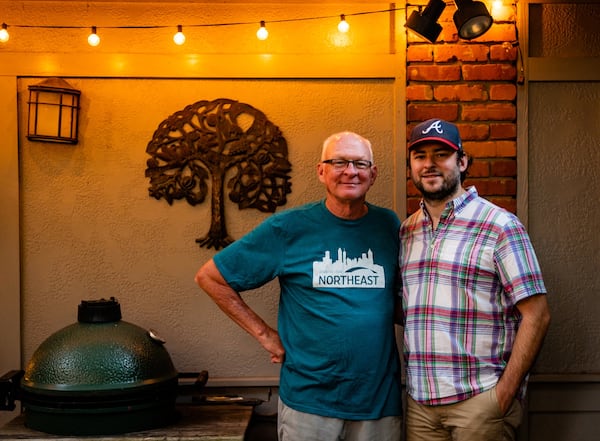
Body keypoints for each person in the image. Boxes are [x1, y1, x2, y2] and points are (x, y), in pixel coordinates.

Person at [195, 131, 403, 441]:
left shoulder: (390, 226)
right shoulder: (289, 228)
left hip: (378, 401)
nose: (350, 171)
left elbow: (403, 300)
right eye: (339, 162)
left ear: (373, 174)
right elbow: (211, 277)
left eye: (360, 163)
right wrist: (265, 335)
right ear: (321, 171)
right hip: (310, 401)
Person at [399, 118, 551, 441]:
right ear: (411, 165)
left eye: (441, 154)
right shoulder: (407, 231)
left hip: (480, 403)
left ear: (463, 161)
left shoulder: (499, 226)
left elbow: (537, 314)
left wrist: (502, 396)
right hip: (420, 408)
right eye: (420, 155)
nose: (430, 164)